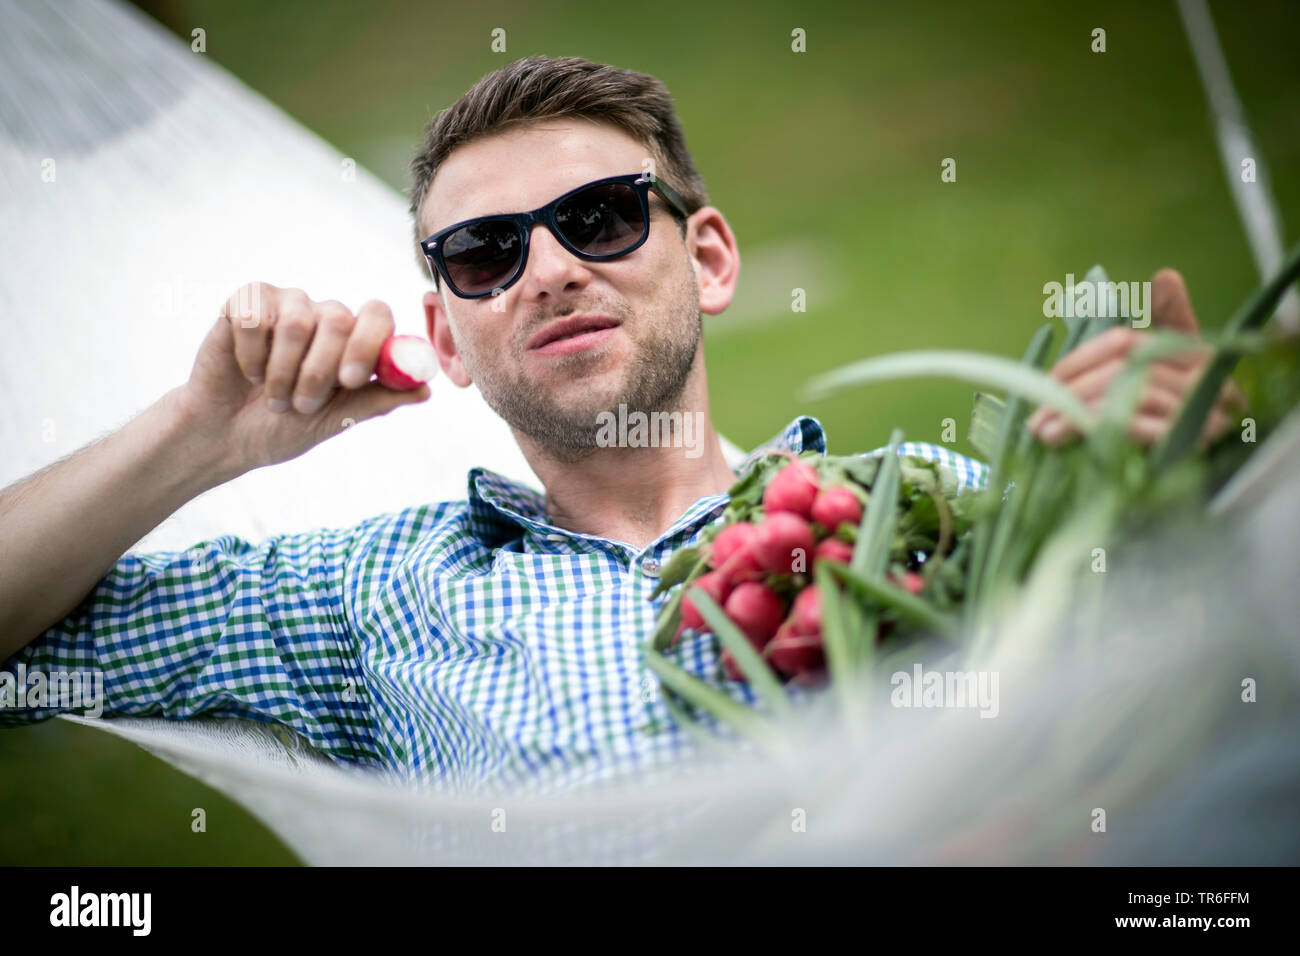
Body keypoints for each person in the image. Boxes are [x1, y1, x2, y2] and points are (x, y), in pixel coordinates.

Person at [0, 55, 1242, 794]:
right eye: (484, 254)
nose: (546, 269)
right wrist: (201, 434)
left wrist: (1170, 491)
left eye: (598, 218)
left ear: (706, 258)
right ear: (446, 337)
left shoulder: (926, 498)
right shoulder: (361, 594)